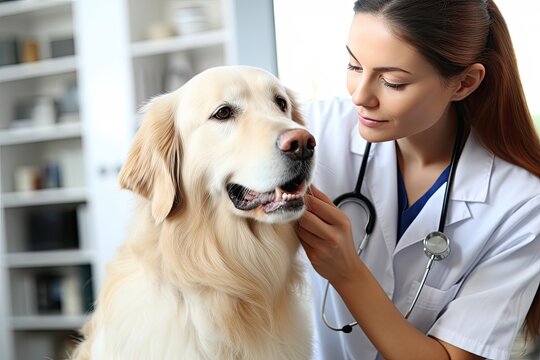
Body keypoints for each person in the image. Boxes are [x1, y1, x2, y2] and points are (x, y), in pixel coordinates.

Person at [296, 1, 540, 359]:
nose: (360, 96)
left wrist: (346, 271)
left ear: (464, 83)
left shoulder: (521, 204)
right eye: (353, 65)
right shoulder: (310, 136)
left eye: (392, 82)